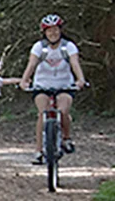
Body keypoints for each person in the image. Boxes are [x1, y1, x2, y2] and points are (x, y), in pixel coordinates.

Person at [18, 14, 86, 164]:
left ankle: (66, 139)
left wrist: (80, 79)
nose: (53, 33)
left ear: (60, 30)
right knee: (42, 113)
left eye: (55, 30)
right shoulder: (39, 47)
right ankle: (38, 150)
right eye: (49, 31)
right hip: (42, 85)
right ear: (44, 32)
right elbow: (31, 65)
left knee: (63, 110)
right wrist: (24, 80)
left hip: (64, 85)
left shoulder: (68, 46)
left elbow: (74, 63)